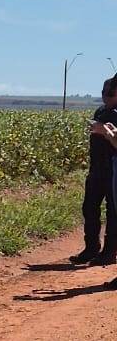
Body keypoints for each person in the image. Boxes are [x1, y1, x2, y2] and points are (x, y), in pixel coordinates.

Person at [70, 76, 117, 266]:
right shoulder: (100, 111)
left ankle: (109, 252)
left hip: (113, 169)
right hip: (96, 168)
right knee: (89, 208)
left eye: (110, 93)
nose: (105, 96)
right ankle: (91, 248)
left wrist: (105, 133)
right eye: (103, 93)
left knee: (113, 214)